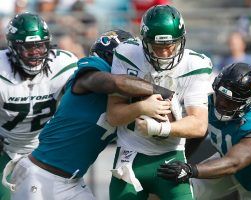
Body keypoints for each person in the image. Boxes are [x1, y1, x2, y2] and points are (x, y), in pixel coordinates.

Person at [3, 29, 174, 200]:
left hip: (71, 182)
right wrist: (162, 91)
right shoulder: (94, 71)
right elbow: (113, 82)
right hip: (41, 177)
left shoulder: (130, 93)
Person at [106, 5, 213, 200]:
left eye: (170, 45)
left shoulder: (194, 64)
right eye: (157, 47)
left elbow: (199, 125)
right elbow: (113, 115)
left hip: (170, 156)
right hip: (130, 153)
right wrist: (141, 107)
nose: (165, 54)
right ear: (144, 42)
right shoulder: (127, 54)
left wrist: (159, 128)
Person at [157, 62, 251, 200]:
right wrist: (179, 159)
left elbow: (235, 162)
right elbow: (198, 132)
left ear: (247, 101)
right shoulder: (210, 103)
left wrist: (190, 170)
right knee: (175, 191)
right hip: (224, 163)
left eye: (230, 101)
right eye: (221, 96)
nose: (221, 103)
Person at [0, 12, 78, 200]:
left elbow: (83, 103)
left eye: (40, 45)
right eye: (27, 47)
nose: (35, 52)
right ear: (13, 48)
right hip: (7, 149)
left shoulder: (63, 64)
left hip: (46, 150)